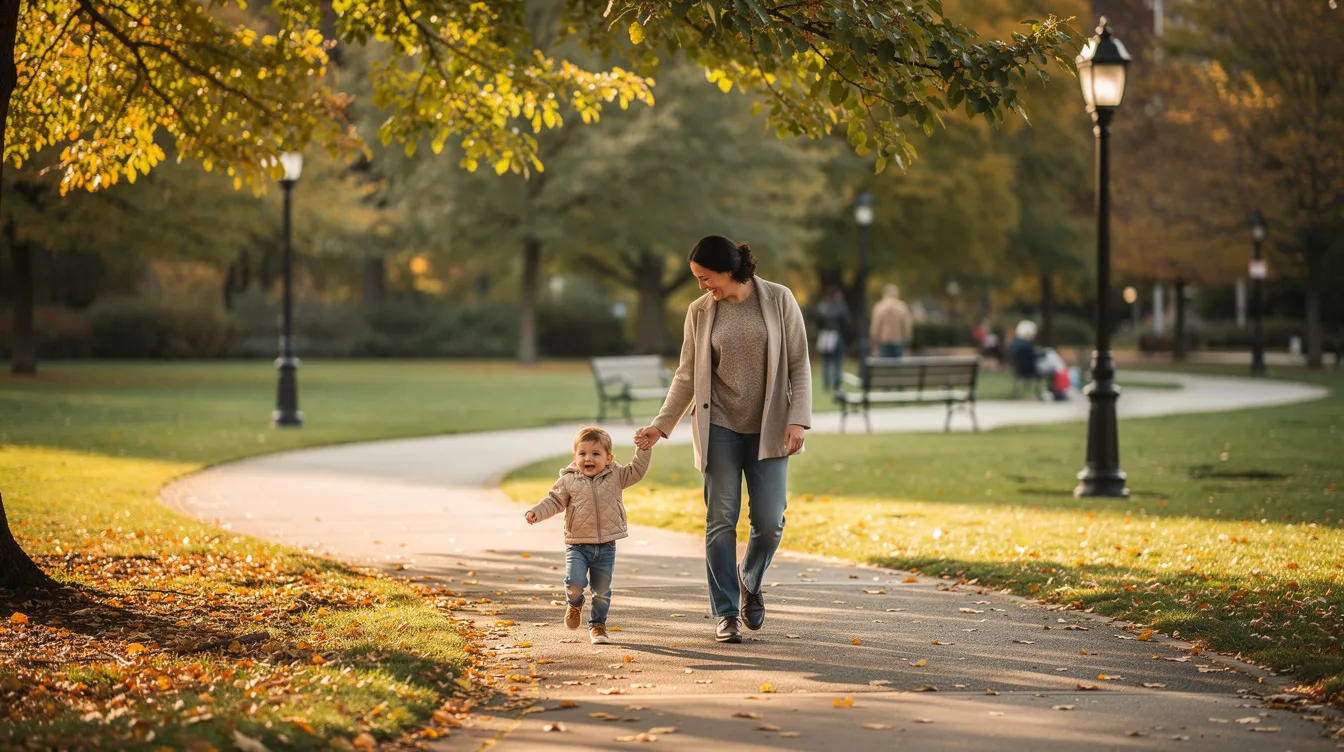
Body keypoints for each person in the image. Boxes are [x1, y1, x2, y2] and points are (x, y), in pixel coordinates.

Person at [634, 235, 811, 645]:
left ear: (728, 269)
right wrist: (661, 425)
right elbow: (686, 375)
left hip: (769, 427)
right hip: (720, 427)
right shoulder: (700, 312)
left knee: (769, 522)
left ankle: (750, 578)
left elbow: (799, 364)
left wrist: (798, 420)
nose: (702, 286)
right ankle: (726, 612)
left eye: (705, 277)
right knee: (720, 522)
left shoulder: (780, 299)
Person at [525, 426, 651, 645]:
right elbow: (554, 501)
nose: (588, 458)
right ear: (575, 457)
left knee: (601, 591)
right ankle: (574, 604)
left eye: (595, 454)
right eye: (582, 454)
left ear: (609, 458)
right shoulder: (568, 480)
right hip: (578, 545)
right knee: (574, 582)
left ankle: (598, 625)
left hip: (606, 546)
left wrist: (643, 449)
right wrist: (537, 511)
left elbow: (637, 470)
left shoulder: (617, 475)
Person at [815, 287, 851, 392]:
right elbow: (846, 324)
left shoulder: (822, 306)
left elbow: (818, 322)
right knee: (837, 362)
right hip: (837, 335)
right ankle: (836, 385)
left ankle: (826, 385)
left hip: (824, 335)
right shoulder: (841, 307)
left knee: (826, 362)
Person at [870, 283, 914, 358]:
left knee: (885, 367)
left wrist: (874, 342)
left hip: (884, 341)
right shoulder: (902, 307)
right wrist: (907, 340)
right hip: (898, 341)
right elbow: (907, 327)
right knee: (897, 368)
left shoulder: (879, 307)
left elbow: (875, 327)